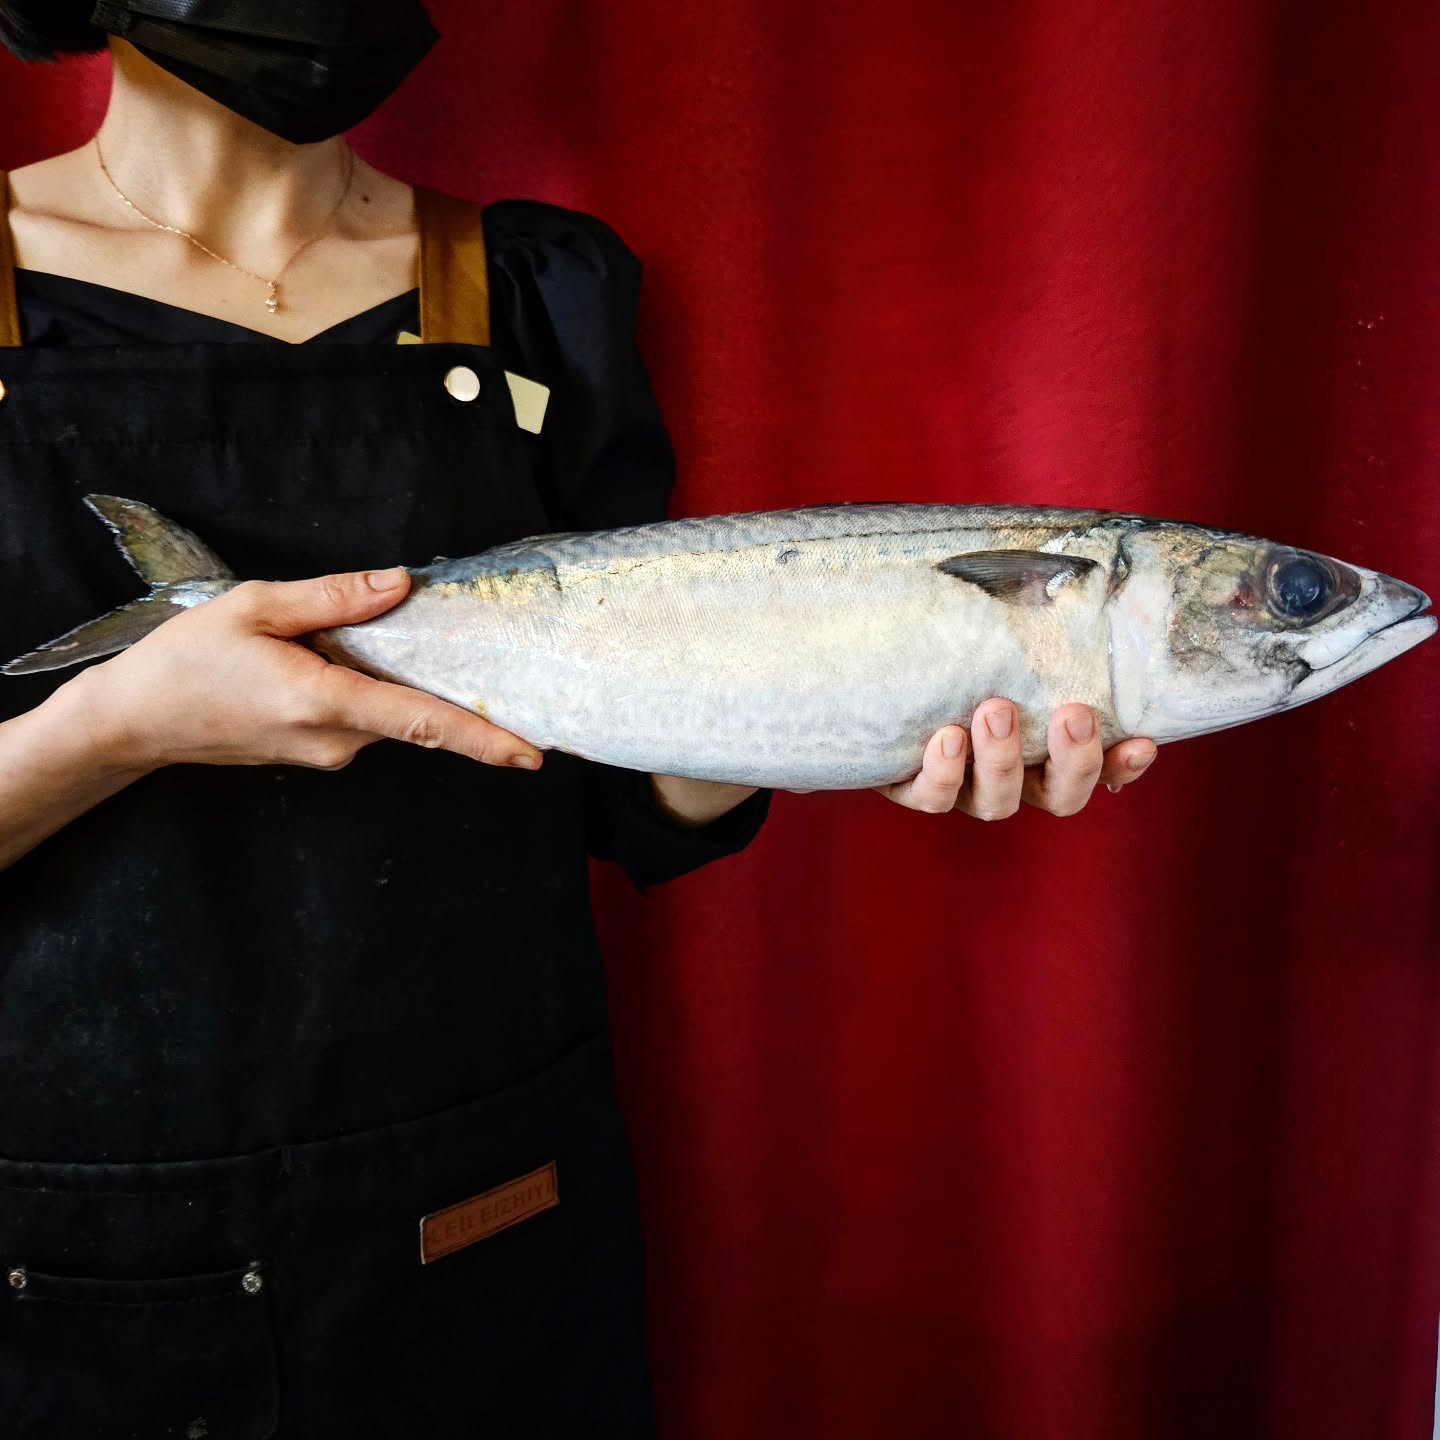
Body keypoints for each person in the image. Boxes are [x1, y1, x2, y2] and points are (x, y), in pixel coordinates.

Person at [0, 2, 1158, 1433]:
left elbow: (624, 797)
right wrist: (120, 725)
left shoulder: (539, 290)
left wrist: (836, 712)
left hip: (490, 1209)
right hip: (71, 1249)